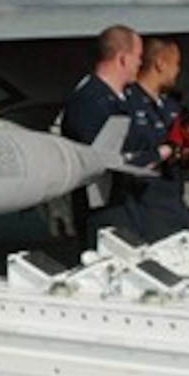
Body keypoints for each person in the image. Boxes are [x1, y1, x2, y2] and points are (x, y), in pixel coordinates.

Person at [121, 36, 189, 241]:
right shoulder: (128, 104)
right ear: (161, 63)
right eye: (176, 64)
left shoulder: (171, 107)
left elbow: (182, 157)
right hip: (141, 211)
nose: (178, 71)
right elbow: (135, 155)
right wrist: (175, 147)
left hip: (172, 207)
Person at [58, 24, 143, 249]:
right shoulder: (90, 101)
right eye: (138, 57)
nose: (140, 63)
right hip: (104, 213)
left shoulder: (120, 99)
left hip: (124, 208)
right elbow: (97, 162)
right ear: (123, 59)